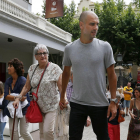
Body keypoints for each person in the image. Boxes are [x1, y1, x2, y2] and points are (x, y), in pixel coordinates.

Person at [59, 11, 117, 140]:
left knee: (103, 137)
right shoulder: (69, 48)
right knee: (74, 137)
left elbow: (112, 75)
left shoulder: (105, 47)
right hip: (77, 103)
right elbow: (66, 73)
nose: (95, 27)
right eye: (92, 24)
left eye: (97, 24)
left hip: (99, 104)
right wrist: (62, 96)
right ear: (81, 25)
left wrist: (113, 101)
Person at [13, 44, 63, 140]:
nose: (42, 55)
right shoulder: (32, 68)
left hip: (52, 105)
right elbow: (27, 86)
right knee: (41, 132)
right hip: (39, 106)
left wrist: (63, 99)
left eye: (44, 53)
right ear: (35, 57)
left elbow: (61, 87)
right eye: (39, 54)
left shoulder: (55, 68)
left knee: (47, 131)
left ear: (48, 55)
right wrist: (18, 98)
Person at [4, 58, 32, 140]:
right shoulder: (8, 80)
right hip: (13, 108)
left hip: (24, 109)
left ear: (16, 68)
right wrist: (17, 97)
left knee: (24, 132)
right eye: (8, 66)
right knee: (13, 131)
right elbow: (6, 96)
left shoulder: (23, 80)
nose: (8, 68)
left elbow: (24, 98)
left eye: (10, 66)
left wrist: (12, 96)